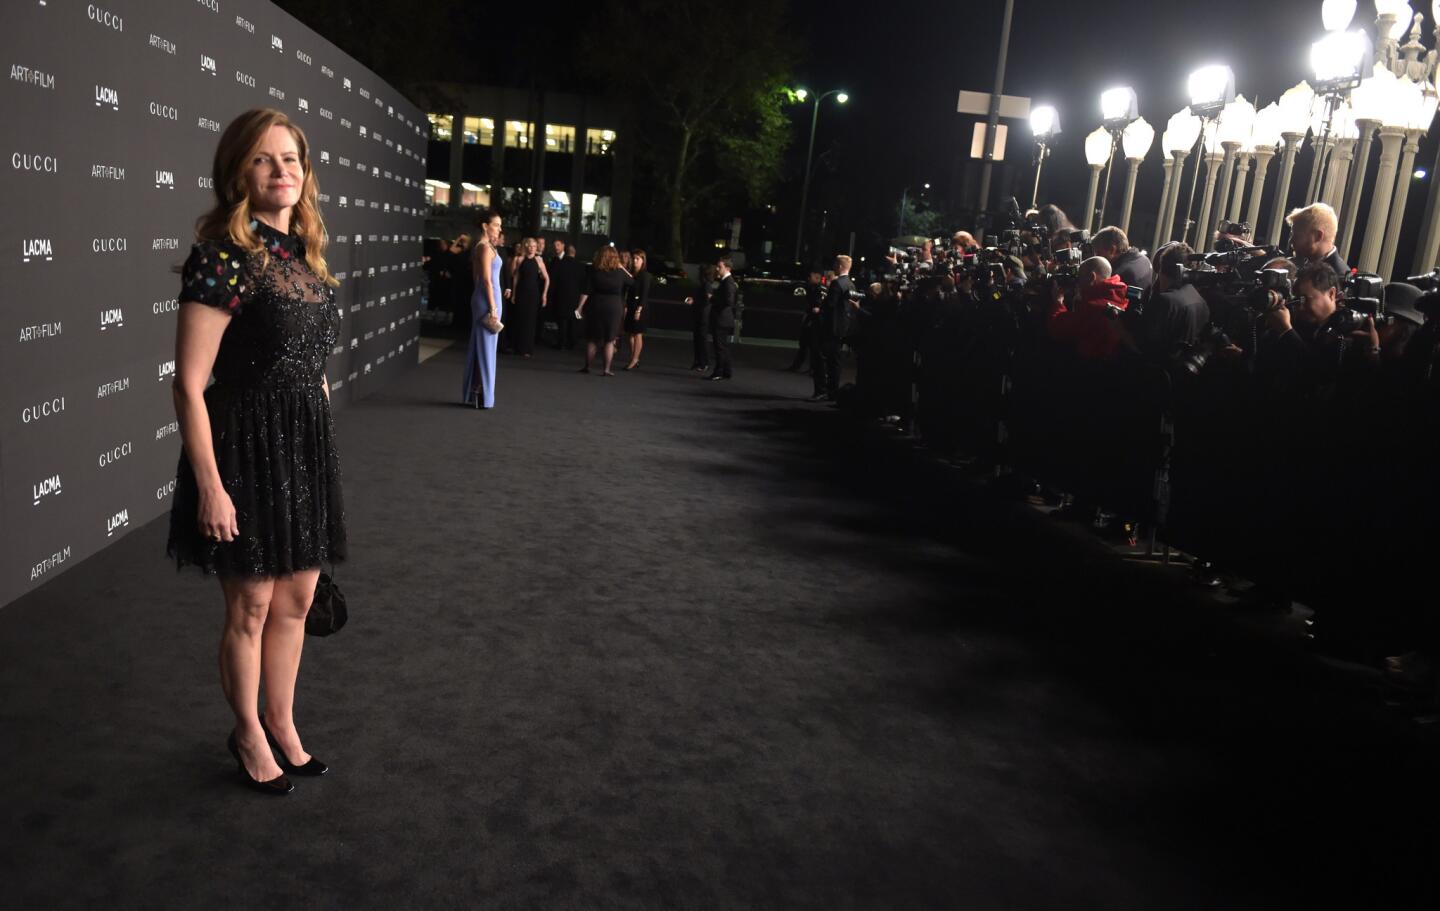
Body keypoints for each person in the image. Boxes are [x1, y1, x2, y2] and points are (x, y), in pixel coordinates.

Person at [167, 108, 345, 796]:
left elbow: (305, 359)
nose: (283, 171)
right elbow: (187, 383)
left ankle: (283, 721)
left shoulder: (304, 257)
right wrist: (211, 485)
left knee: (298, 596)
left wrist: (317, 420)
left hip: (302, 447)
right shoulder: (221, 259)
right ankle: (248, 731)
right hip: (242, 448)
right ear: (239, 172)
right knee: (251, 601)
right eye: (266, 159)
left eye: (292, 159)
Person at [1133, 241, 1210, 359]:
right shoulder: (1201, 301)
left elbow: (1143, 347)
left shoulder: (1165, 301)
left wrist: (1117, 325)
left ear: (1161, 268)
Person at [1046, 256, 1130, 360]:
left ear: (1091, 277)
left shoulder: (1093, 306)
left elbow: (1057, 328)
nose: (1078, 281)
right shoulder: (1119, 295)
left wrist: (1058, 301)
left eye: (1080, 277)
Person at [462, 209, 504, 407]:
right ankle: (480, 394)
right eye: (496, 225)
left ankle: (477, 392)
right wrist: (493, 307)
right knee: (485, 348)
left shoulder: (486, 246)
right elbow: (485, 280)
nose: (499, 229)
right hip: (488, 300)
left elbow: (477, 279)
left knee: (485, 348)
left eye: (499, 225)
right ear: (485, 226)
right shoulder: (484, 248)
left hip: (487, 298)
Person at [577, 245, 630, 375]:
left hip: (596, 305)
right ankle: (606, 369)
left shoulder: (593, 270)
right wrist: (622, 267)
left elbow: (586, 291)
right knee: (610, 339)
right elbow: (632, 281)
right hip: (614, 306)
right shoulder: (619, 272)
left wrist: (579, 307)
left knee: (592, 338)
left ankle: (587, 366)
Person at [809, 254, 856, 400]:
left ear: (840, 266)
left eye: (836, 264)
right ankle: (833, 391)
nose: (834, 267)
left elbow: (830, 306)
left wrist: (819, 312)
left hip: (830, 328)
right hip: (842, 328)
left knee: (821, 359)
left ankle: (822, 390)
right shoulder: (851, 284)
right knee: (835, 362)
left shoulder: (837, 284)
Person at [507, 237, 548, 358]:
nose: (532, 248)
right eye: (530, 246)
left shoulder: (539, 260)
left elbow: (547, 278)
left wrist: (544, 294)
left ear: (536, 248)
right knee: (519, 318)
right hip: (521, 292)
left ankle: (527, 349)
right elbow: (515, 278)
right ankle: (517, 347)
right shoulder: (519, 259)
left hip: (533, 293)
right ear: (526, 247)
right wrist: (514, 294)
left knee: (530, 321)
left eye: (534, 246)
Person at [1286, 202, 1348, 278]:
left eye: (1297, 235)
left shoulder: (1338, 277)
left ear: (1318, 236)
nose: (1291, 241)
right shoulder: (1305, 263)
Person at [1091, 225, 1152, 293]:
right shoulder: (1144, 259)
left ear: (1112, 250)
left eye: (1098, 253)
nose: (1096, 257)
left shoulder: (1117, 277)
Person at [547, 238, 583, 350]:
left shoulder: (561, 263)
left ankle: (562, 342)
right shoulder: (579, 265)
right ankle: (572, 342)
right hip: (574, 296)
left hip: (562, 295)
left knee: (563, 320)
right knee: (573, 319)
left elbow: (554, 279)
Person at [787, 269, 824, 372]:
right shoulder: (814, 288)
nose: (809, 279)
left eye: (812, 277)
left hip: (814, 319)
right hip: (811, 318)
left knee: (809, 344)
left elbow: (816, 304)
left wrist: (815, 309)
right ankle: (806, 367)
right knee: (806, 344)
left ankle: (807, 367)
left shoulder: (816, 289)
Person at [709, 254, 738, 380]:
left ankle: (719, 372)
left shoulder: (728, 283)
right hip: (724, 319)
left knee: (720, 347)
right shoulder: (727, 282)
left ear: (727, 268)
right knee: (723, 347)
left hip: (722, 319)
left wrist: (713, 298)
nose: (717, 268)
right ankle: (726, 371)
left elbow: (729, 301)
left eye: (719, 266)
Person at [623, 248, 652, 370]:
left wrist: (639, 310)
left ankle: (635, 359)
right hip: (630, 306)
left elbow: (644, 294)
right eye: (634, 258)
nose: (635, 261)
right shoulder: (632, 274)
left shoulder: (645, 275)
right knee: (630, 334)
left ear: (643, 261)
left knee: (638, 334)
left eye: (637, 259)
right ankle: (635, 358)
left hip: (639, 307)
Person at [686, 264, 716, 372]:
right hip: (700, 314)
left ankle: (704, 363)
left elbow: (707, 300)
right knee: (698, 338)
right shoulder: (704, 284)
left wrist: (694, 301)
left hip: (703, 315)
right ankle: (698, 361)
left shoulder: (706, 285)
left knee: (702, 339)